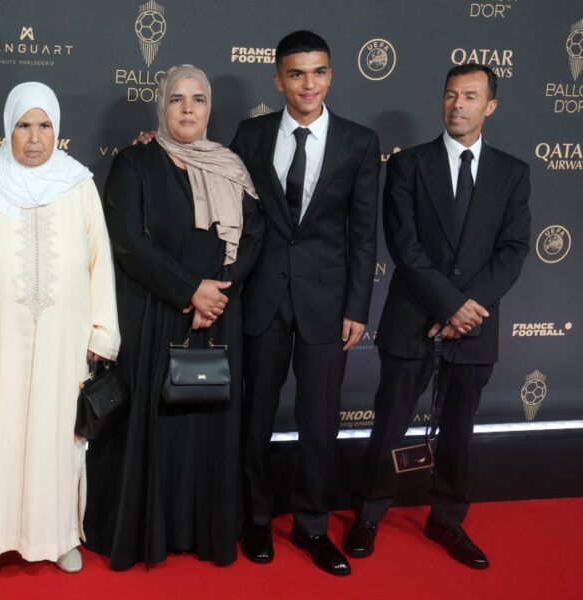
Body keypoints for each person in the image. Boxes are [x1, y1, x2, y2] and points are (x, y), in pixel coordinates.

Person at [0, 82, 120, 577]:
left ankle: (58, 536)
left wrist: (101, 332)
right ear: (8, 128)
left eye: (45, 126)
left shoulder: (78, 184)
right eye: (23, 126)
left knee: (59, 436)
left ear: (58, 129)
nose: (35, 138)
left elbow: (100, 262)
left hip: (63, 340)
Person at [344, 63, 530, 569]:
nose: (457, 105)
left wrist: (467, 312)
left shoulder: (513, 172)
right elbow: (404, 246)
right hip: (412, 318)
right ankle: (369, 513)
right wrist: (449, 306)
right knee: (390, 423)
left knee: (458, 431)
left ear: (490, 106)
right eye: (451, 95)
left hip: (475, 325)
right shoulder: (408, 166)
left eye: (470, 96)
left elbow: (513, 250)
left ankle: (447, 519)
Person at [85, 65, 263, 571]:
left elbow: (254, 236)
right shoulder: (134, 162)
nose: (188, 109)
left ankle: (203, 532)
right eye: (177, 99)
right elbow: (128, 243)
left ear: (210, 108)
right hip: (154, 316)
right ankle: (149, 534)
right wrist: (190, 291)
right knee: (156, 425)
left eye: (198, 99)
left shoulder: (230, 166)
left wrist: (216, 295)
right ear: (161, 105)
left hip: (218, 318)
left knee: (207, 428)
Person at [229, 30, 379, 576]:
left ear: (330, 76)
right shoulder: (250, 134)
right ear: (278, 80)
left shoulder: (359, 142)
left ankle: (312, 525)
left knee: (320, 421)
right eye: (296, 74)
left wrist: (357, 307)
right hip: (262, 297)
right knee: (255, 417)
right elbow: (222, 196)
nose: (308, 84)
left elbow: (364, 233)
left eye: (318, 72)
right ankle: (254, 517)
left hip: (327, 302)